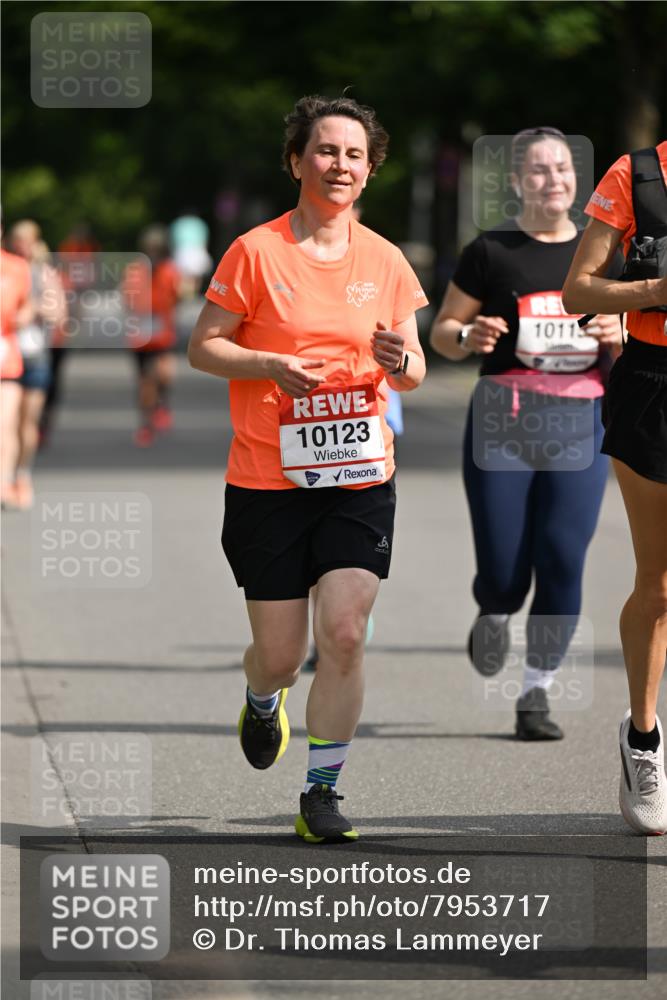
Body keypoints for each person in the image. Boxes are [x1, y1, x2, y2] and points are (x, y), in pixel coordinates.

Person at [188, 95, 427, 842]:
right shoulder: (255, 252)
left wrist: (401, 361)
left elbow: (413, 366)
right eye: (325, 151)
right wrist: (266, 364)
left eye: (354, 155)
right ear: (296, 161)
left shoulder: (384, 259)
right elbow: (204, 347)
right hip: (268, 478)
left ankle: (321, 793)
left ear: (369, 170)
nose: (340, 165)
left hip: (359, 472)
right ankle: (263, 699)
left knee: (347, 634)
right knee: (283, 657)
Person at [430, 127, 622, 741]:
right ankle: (493, 604)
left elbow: (639, 329)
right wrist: (468, 337)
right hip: (503, 422)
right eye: (539, 170)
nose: (553, 180)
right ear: (517, 181)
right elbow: (442, 331)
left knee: (563, 557)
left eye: (563, 169)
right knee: (506, 568)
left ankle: (536, 692)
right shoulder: (491, 250)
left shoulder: (604, 252)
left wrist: (619, 335)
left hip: (580, 423)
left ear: (577, 179)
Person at [563, 139, 667, 835]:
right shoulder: (639, 173)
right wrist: (653, 291)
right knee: (659, 585)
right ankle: (643, 738)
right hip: (654, 386)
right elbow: (578, 289)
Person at [6, 222, 66, 509]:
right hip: (7, 358)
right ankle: (6, 479)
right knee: (7, 422)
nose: (21, 246)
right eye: (15, 240)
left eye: (25, 241)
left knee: (26, 423)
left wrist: (33, 309)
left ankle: (22, 473)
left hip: (35, 357)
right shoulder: (6, 271)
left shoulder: (44, 274)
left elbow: (59, 315)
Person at [123, 225, 183, 446]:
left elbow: (178, 297)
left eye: (157, 250)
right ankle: (145, 424)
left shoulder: (170, 271)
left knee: (164, 373)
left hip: (163, 333)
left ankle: (162, 403)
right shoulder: (134, 270)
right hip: (141, 335)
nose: (153, 254)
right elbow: (126, 299)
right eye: (150, 250)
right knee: (145, 383)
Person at [1, 228, 32, 508]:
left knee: (5, 422)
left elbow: (29, 304)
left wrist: (24, 315)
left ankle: (4, 482)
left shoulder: (16, 267)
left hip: (5, 357)